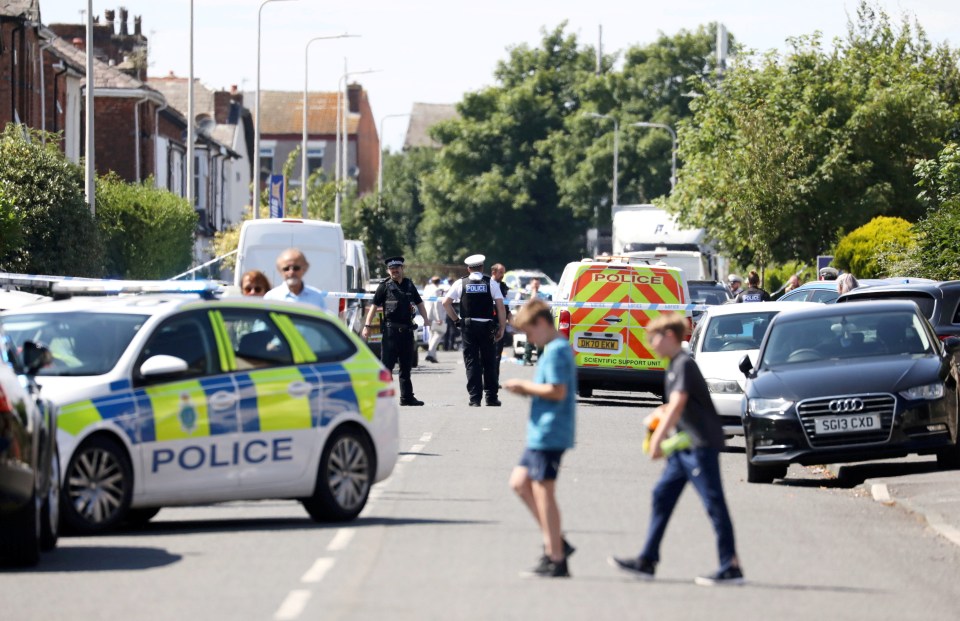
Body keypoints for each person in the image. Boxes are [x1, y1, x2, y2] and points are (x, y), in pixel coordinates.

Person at [609, 312, 743, 586]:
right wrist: (659, 415)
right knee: (662, 495)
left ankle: (731, 566)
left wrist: (658, 438)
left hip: (700, 445)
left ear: (669, 336)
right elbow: (677, 404)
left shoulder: (683, 364)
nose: (651, 344)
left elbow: (681, 400)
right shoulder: (673, 365)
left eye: (653, 338)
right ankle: (647, 560)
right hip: (683, 445)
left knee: (713, 502)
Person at [504, 298, 577, 578]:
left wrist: (524, 386)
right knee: (520, 483)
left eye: (530, 332)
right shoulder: (551, 349)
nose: (529, 339)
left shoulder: (557, 350)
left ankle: (556, 556)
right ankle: (557, 540)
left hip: (551, 431)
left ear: (543, 323)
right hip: (541, 431)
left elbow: (557, 391)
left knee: (543, 491)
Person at [362, 256, 428, 406]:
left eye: (397, 269)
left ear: (402, 269)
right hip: (390, 333)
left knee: (406, 367)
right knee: (387, 367)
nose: (394, 271)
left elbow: (419, 303)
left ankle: (407, 398)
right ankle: (385, 399)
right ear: (388, 270)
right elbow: (373, 306)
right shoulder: (384, 286)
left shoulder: (409, 285)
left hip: (406, 332)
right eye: (391, 269)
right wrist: (367, 326)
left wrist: (426, 319)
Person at [442, 254, 506, 407]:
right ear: (482, 267)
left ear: (468, 269)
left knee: (472, 362)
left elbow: (445, 303)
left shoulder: (461, 283)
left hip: (468, 327)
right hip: (487, 327)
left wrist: (456, 320)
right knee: (489, 362)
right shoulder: (490, 282)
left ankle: (475, 399)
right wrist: (502, 327)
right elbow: (500, 306)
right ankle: (491, 398)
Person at [264, 248, 328, 309]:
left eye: (296, 268)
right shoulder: (271, 298)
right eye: (286, 269)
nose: (291, 272)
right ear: (280, 271)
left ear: (304, 269)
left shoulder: (316, 297)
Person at [423, 276, 446, 364]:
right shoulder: (437, 290)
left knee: (431, 335)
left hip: (427, 314)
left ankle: (433, 355)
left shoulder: (426, 288)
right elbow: (436, 304)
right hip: (436, 316)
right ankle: (430, 354)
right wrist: (438, 318)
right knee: (439, 333)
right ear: (439, 282)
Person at [522, 278, 546, 364]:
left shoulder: (543, 295)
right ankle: (527, 359)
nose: (536, 286)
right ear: (531, 284)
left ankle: (540, 360)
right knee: (530, 341)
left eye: (538, 284)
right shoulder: (526, 294)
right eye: (535, 284)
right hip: (530, 320)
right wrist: (533, 291)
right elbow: (530, 302)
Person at [491, 263, 511, 364]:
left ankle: (495, 378)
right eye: (500, 272)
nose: (502, 275)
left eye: (503, 273)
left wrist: (509, 315)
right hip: (488, 322)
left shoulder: (503, 286)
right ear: (493, 272)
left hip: (500, 322)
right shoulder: (486, 284)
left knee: (497, 355)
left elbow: (506, 305)